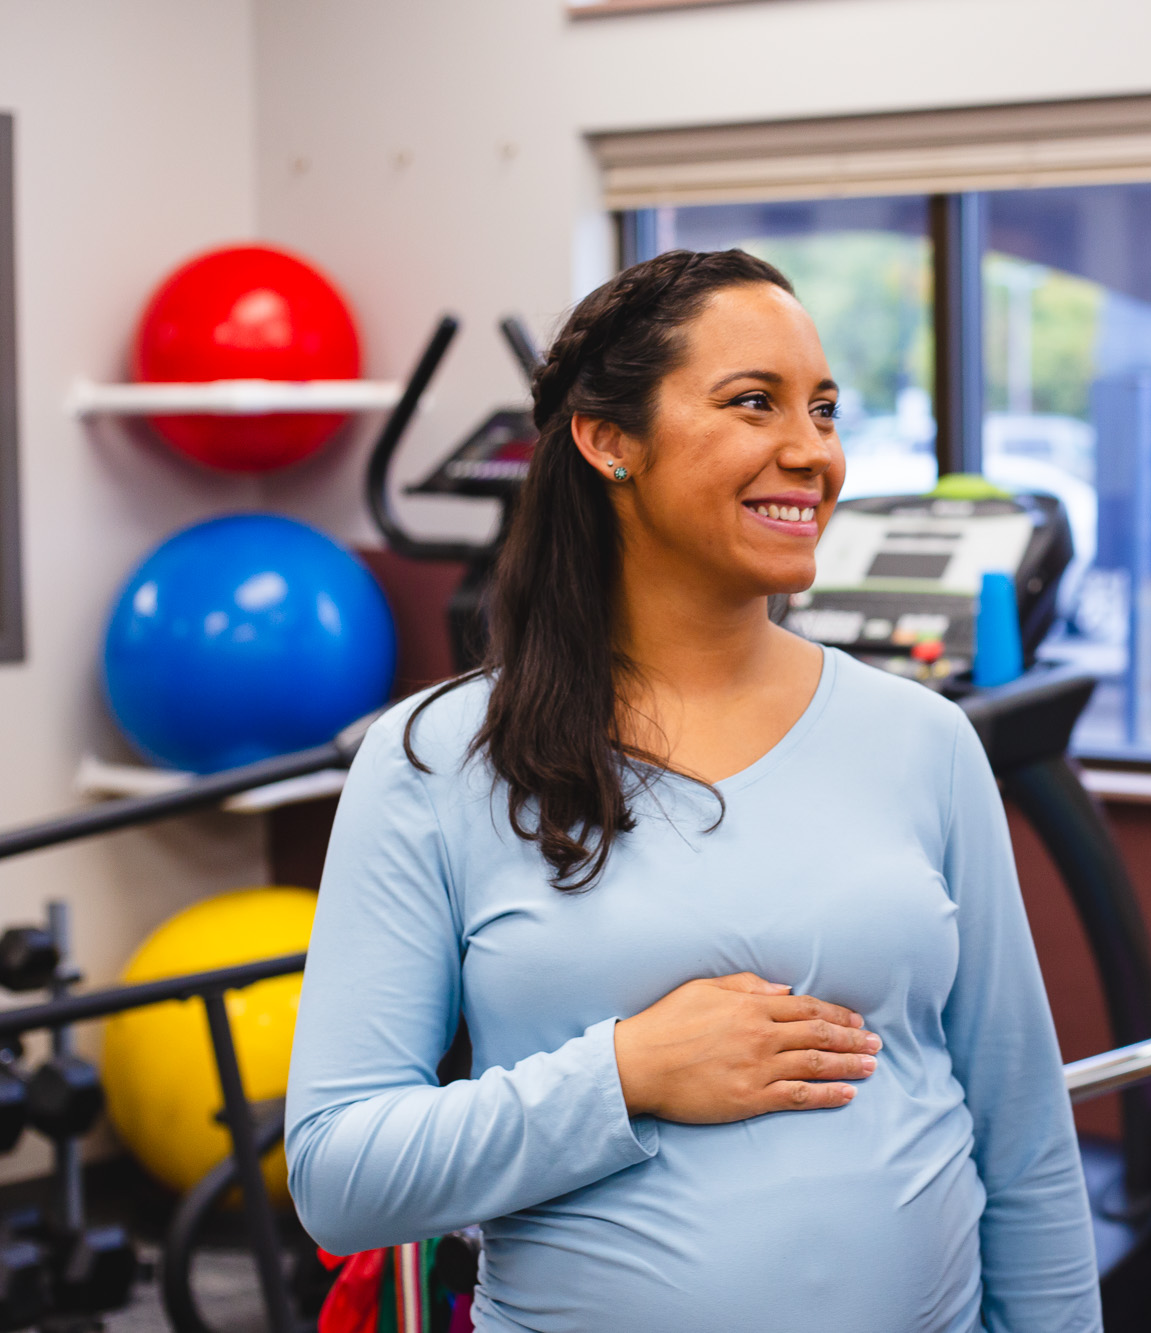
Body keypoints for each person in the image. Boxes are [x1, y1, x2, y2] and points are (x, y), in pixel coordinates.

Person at [286, 249, 1101, 1333]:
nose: (809, 452)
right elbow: (341, 1175)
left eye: (822, 410)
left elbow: (1026, 1145)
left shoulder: (923, 740)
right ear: (605, 438)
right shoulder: (435, 759)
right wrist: (624, 1073)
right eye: (752, 403)